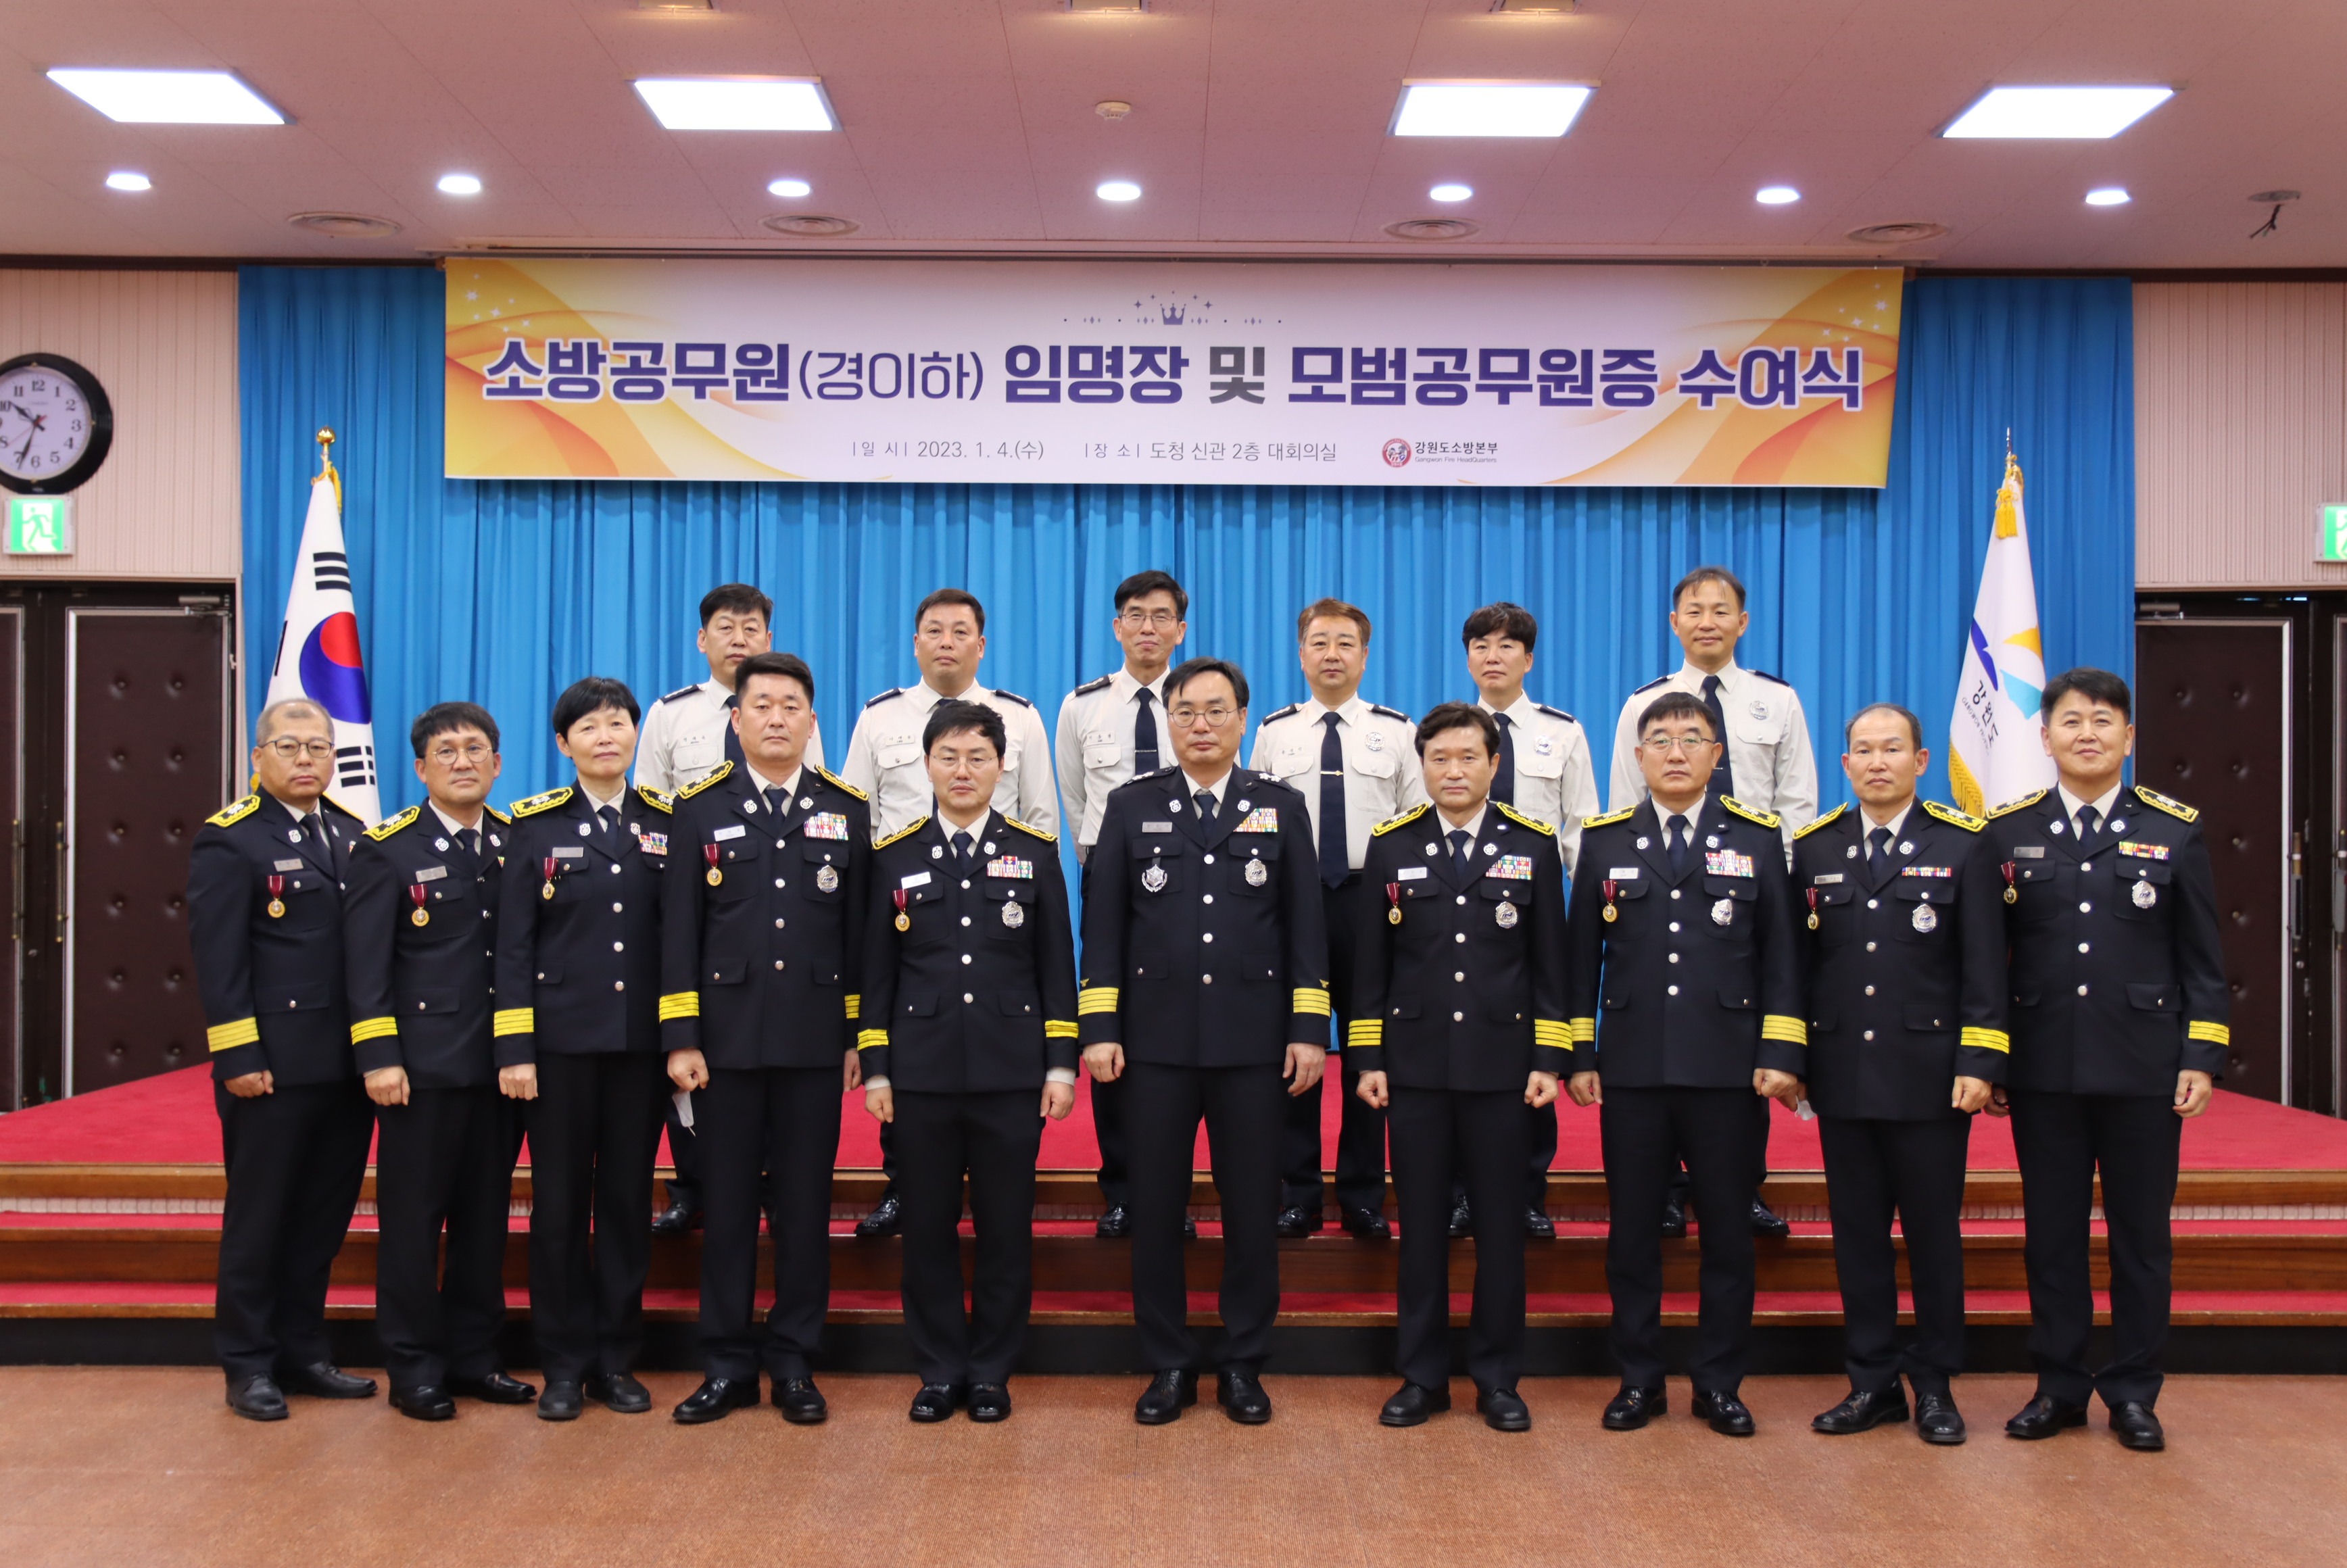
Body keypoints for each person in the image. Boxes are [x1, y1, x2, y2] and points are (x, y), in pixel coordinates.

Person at [1080, 657, 1330, 1425]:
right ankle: (1168, 1363)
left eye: (1217, 711)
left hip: (1254, 1046)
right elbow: (1104, 928)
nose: (1200, 725)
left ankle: (1243, 1363)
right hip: (1152, 1046)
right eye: (1186, 711)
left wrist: (1309, 1029)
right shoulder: (1131, 805)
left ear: (1243, 720)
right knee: (1154, 1209)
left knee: (1252, 1209)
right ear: (1169, 720)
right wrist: (1100, 1027)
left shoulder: (1281, 806)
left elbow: (1306, 928)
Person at [1986, 668, 2227, 1452]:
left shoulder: (2173, 829)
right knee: (2051, 1236)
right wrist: (1992, 1057)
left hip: (2142, 1069)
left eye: (2101, 721)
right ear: (2044, 736)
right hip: (2043, 1069)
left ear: (2128, 737)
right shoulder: (2007, 833)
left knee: (2139, 1238)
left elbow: (2202, 961)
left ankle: (2131, 1391)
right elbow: (1987, 961)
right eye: (2070, 721)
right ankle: (2058, 1386)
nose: (2085, 733)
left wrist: (2201, 1054)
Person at [1568, 690, 1803, 1438]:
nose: (1676, 752)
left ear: (1717, 754)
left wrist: (1780, 1051)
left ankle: (1718, 1383)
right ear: (1638, 757)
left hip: (1729, 1071)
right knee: (1632, 1235)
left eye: (1692, 738)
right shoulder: (1606, 839)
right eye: (1661, 740)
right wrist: (1580, 1052)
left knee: (1727, 1234)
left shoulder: (1757, 837)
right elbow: (1581, 958)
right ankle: (1639, 1380)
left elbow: (1782, 957)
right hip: (1633, 1070)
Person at [660, 652, 871, 1426]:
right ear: (736, 718)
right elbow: (678, 932)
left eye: (791, 707)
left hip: (814, 1045)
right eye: (762, 705)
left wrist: (857, 1036)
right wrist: (681, 1036)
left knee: (804, 1209)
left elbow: (859, 937)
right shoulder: (698, 807)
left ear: (812, 721)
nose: (776, 718)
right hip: (721, 1048)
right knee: (726, 1207)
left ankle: (792, 1361)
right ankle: (725, 1364)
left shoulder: (846, 809)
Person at [858, 700, 1078, 1423]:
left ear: (1001, 766)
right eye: (948, 757)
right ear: (926, 765)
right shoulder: (894, 856)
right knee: (926, 1229)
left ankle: (989, 1372)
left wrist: (1060, 1065)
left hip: (1011, 1074)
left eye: (978, 757)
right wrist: (878, 1068)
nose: (963, 770)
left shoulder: (1034, 853)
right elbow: (877, 973)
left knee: (1004, 1229)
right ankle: (938, 1370)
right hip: (918, 1077)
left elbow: (1056, 967)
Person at [1794, 703, 2008, 1446]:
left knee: (1931, 1237)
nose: (1876, 761)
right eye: (1863, 750)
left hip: (1930, 1077)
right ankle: (1872, 1382)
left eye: (1892, 749)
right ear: (1845, 764)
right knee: (1857, 1236)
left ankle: (1936, 1385)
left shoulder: (1963, 844)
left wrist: (1980, 1060)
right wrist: (1795, 1059)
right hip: (1843, 1074)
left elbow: (1986, 964)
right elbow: (1798, 967)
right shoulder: (1814, 848)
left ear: (1920, 762)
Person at [1352, 704, 1570, 1432]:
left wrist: (1549, 1058)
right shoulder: (1391, 844)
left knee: (1501, 1232)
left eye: (1468, 757)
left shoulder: (1532, 844)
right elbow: (1370, 969)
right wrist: (1369, 1057)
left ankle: (1498, 1380)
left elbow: (1550, 965)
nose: (1453, 771)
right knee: (1420, 1231)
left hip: (1504, 1072)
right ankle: (1422, 1377)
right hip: (1414, 1069)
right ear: (1421, 765)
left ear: (1494, 764)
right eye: (1439, 758)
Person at [1607, 566, 1817, 1240]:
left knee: (1737, 1037)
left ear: (1742, 622)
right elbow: (1624, 800)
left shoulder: (1776, 701)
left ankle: (1739, 1184)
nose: (1707, 622)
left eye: (1720, 610)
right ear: (1674, 623)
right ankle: (1667, 1191)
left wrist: (1777, 888)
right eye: (1693, 611)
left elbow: (1796, 800)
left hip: (1746, 890)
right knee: (1659, 1035)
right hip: (1657, 880)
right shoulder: (1644, 703)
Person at [842, 587, 1059, 1238]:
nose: (946, 642)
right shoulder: (879, 717)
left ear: (980, 644)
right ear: (915, 643)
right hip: (907, 906)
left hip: (1001, 905)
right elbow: (858, 819)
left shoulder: (1020, 718)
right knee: (914, 1102)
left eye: (960, 631)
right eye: (933, 631)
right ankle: (901, 1187)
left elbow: (1040, 814)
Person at [187, 697, 376, 1421]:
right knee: (260, 1218)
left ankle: (303, 1352)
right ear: (258, 757)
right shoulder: (231, 839)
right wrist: (238, 1051)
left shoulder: (351, 832)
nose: (306, 759)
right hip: (270, 1069)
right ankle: (248, 1363)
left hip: (346, 1066)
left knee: (322, 1219)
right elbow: (219, 957)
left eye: (319, 747)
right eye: (290, 746)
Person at [344, 702, 535, 1421]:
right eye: (446, 752)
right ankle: (415, 1366)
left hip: (500, 1069)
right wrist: (379, 1056)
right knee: (413, 1226)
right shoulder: (387, 849)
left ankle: (476, 1357)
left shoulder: (517, 843)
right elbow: (366, 965)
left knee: (485, 1223)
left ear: (498, 764)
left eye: (476, 749)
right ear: (421, 768)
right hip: (419, 1075)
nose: (463, 762)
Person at [493, 678, 673, 1421]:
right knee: (560, 1207)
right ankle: (563, 1365)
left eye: (618, 723)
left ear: (635, 735)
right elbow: (512, 946)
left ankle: (615, 1361)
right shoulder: (532, 827)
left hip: (639, 1049)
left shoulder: (667, 822)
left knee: (627, 1204)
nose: (606, 737)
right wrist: (515, 1047)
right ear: (564, 744)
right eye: (589, 727)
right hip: (558, 1050)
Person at [638, 585, 825, 1242]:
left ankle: (771, 1191)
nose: (739, 637)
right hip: (699, 904)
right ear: (702, 639)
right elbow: (651, 814)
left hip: (781, 928)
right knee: (701, 1093)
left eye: (751, 627)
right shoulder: (671, 715)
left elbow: (809, 814)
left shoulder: (793, 713)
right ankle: (693, 1188)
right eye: (725, 626)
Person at [1247, 598, 1424, 1242]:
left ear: (1365, 656)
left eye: (1345, 643)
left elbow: (1415, 826)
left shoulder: (1397, 731)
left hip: (1371, 902)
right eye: (1319, 642)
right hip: (1292, 902)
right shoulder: (1275, 732)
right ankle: (1297, 1192)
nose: (1332, 655)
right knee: (1294, 1047)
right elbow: (1256, 824)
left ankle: (1362, 1194)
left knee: (1368, 1047)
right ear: (1300, 654)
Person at [1458, 601, 1601, 1242]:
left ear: (1529, 659)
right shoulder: (1447, 730)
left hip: (1536, 918)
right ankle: (1462, 1195)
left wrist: (1583, 918)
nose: (1493, 657)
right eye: (1481, 646)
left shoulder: (1562, 733)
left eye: (1507, 646)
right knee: (1461, 1057)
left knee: (1535, 1053)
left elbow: (1582, 832)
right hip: (1458, 912)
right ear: (1468, 658)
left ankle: (1527, 1194)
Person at [1055, 568, 1189, 1240]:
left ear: (1180, 630)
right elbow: (1074, 798)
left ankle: (1175, 1194)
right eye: (1135, 615)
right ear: (1116, 627)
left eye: (1161, 616)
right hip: (1110, 881)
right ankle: (1122, 1190)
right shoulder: (1082, 705)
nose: (1147, 628)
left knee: (1180, 1033)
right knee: (1108, 1024)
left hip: (1193, 883)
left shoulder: (1201, 700)